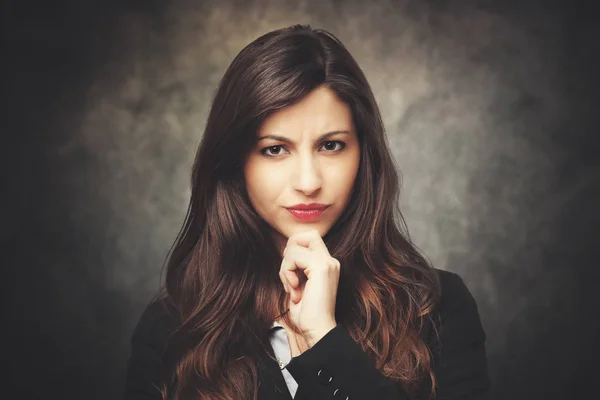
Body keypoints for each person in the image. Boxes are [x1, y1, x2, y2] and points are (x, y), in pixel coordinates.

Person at [124, 24, 490, 400]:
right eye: (274, 149)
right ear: (235, 163)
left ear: (364, 156)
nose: (308, 181)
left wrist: (325, 342)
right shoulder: (173, 328)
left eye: (331, 145)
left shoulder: (436, 306)